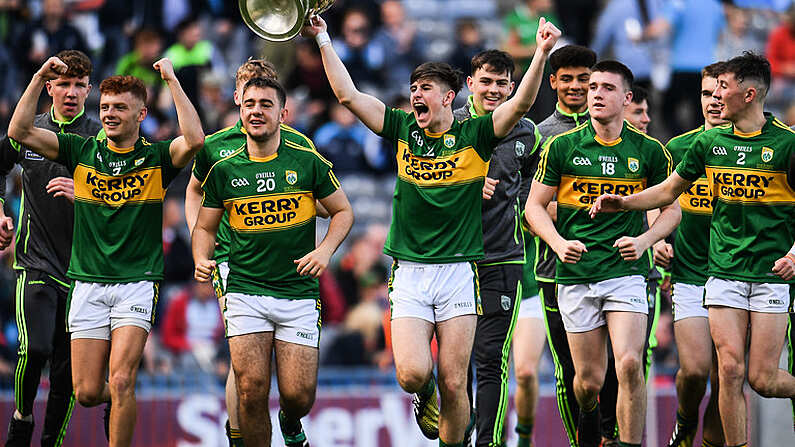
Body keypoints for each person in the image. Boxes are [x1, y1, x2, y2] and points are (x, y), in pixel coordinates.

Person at [302, 13, 560, 447]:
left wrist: (541, 52)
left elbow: (518, 105)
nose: (416, 96)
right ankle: (424, 396)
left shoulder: (476, 134)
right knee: (413, 373)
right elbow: (347, 95)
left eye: (425, 90)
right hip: (410, 272)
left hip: (460, 271)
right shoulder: (403, 129)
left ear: (448, 98)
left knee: (457, 383)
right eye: (413, 89)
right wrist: (325, 38)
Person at [590, 52, 795, 447]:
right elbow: (668, 192)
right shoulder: (707, 142)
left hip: (770, 274)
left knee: (763, 379)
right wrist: (625, 202)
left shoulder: (786, 144)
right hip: (720, 272)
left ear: (749, 95)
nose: (716, 97)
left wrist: (792, 256)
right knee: (728, 371)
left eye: (724, 87)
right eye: (712, 89)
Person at [7, 57, 204, 447]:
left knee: (121, 379)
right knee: (87, 393)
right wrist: (37, 78)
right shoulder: (80, 150)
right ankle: (127, 398)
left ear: (141, 114)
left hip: (136, 283)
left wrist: (173, 80)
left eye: (120, 108)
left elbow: (196, 139)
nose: (110, 114)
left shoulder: (156, 158)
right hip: (88, 283)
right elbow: (19, 130)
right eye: (106, 107)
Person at [192, 76, 353, 447]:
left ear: (283, 113)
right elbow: (204, 226)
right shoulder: (224, 168)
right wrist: (203, 255)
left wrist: (324, 250)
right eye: (249, 104)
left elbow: (343, 212)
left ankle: (291, 420)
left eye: (265, 104)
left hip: (297, 291)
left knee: (299, 396)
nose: (256, 111)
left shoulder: (307, 159)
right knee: (250, 389)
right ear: (240, 109)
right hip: (245, 290)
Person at [526, 60, 679, 447]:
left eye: (606, 88)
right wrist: (559, 244)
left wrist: (644, 242)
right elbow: (533, 208)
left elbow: (671, 209)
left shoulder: (649, 150)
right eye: (593, 87)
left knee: (629, 363)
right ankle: (592, 419)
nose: (595, 93)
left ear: (627, 98)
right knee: (588, 382)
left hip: (625, 272)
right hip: (576, 275)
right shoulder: (562, 147)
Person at [1, 49, 101, 447]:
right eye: (63, 83)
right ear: (49, 87)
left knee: (67, 374)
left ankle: (51, 442)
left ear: (89, 89)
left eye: (79, 84)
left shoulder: (101, 135)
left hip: (84, 270)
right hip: (34, 260)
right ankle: (21, 417)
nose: (71, 92)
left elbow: (128, 199)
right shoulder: (30, 130)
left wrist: (87, 193)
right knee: (35, 347)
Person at [452, 49, 542, 447]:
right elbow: (416, 181)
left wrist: (519, 206)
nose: (493, 89)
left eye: (501, 83)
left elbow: (532, 179)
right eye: (485, 81)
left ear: (511, 87)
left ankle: (488, 442)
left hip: (504, 257)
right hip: (451, 259)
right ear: (470, 84)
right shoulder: (447, 125)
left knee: (491, 361)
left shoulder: (528, 131)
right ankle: (456, 430)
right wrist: (467, 185)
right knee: (454, 364)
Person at [653, 62, 727, 447]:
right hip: (690, 275)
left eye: (720, 93)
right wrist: (657, 239)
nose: (713, 102)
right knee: (695, 371)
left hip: (738, 277)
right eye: (705, 94)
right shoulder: (678, 148)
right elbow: (659, 200)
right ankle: (685, 420)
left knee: (726, 377)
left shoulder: (757, 148)